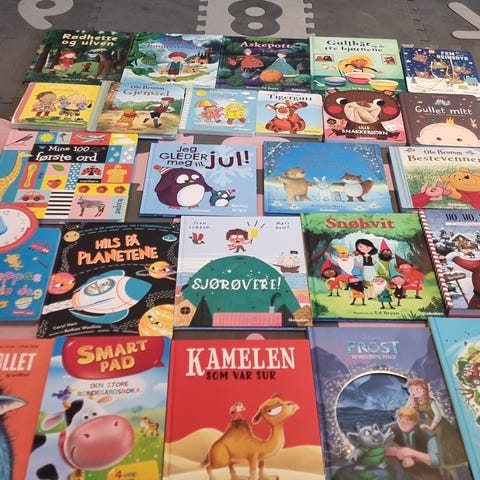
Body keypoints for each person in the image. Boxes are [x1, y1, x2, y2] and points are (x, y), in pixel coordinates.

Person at [406, 378, 468, 469]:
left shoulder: (431, 401)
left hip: (438, 423)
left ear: (424, 390)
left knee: (440, 441)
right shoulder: (415, 400)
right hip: (427, 422)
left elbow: (438, 415)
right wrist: (412, 403)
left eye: (418, 390)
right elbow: (409, 412)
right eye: (412, 389)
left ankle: (446, 463)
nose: (414, 392)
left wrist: (431, 427)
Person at [385, 406, 442, 480]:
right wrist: (405, 455)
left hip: (425, 470)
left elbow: (435, 461)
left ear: (415, 422)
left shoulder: (426, 434)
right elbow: (383, 448)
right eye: (400, 419)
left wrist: (412, 453)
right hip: (402, 468)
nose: (402, 423)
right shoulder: (392, 430)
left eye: (407, 420)